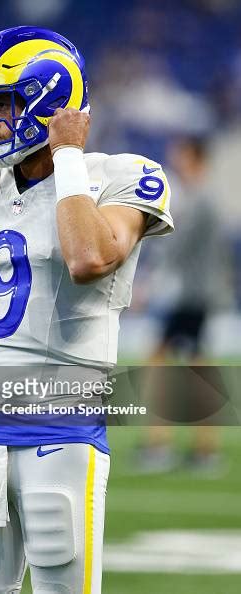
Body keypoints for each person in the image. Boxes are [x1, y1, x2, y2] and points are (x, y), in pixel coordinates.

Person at [0, 26, 173, 593]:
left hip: (61, 429)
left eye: (2, 102)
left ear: (48, 98)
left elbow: (88, 257)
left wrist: (68, 152)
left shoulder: (119, 174)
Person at [136, 136, 232, 475]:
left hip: (188, 298)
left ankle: (168, 447)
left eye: (181, 152)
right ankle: (191, 448)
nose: (174, 157)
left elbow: (177, 249)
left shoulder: (200, 198)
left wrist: (147, 282)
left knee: (174, 368)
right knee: (186, 368)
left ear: (194, 157)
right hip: (192, 298)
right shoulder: (197, 196)